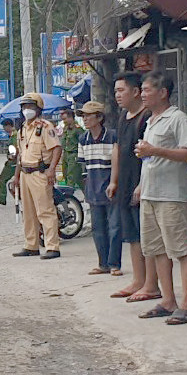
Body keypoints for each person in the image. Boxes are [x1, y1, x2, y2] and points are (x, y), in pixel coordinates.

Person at [133, 72, 187, 325]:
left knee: (181, 249)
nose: (143, 94)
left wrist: (155, 150)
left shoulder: (178, 118)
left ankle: (186, 304)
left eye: (148, 89)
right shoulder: (151, 121)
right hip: (150, 192)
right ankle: (168, 300)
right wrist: (141, 185)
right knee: (157, 249)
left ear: (163, 92)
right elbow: (150, 159)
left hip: (171, 194)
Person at [108, 72, 161, 302]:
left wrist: (141, 184)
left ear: (136, 91)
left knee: (146, 235)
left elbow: (149, 157)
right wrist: (114, 180)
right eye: (116, 91)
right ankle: (138, 281)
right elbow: (118, 150)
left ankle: (151, 284)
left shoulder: (146, 117)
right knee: (131, 235)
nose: (117, 95)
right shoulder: (123, 116)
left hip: (144, 185)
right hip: (126, 184)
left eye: (121, 90)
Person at [12, 92, 63, 259]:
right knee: (28, 212)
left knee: (45, 211)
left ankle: (52, 247)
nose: (27, 110)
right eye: (25, 107)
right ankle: (31, 245)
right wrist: (16, 177)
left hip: (40, 172)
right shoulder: (22, 129)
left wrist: (52, 170)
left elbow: (56, 149)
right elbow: (20, 155)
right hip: (26, 173)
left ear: (38, 108)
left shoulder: (45, 127)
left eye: (31, 106)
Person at [76, 101, 121, 275]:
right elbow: (84, 168)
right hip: (93, 188)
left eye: (88, 115)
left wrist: (114, 182)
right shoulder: (83, 139)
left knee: (115, 227)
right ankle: (103, 264)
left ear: (99, 117)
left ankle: (114, 263)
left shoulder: (112, 136)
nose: (85, 119)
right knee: (98, 228)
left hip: (111, 186)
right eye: (84, 116)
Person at [59, 108, 85, 192]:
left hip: (74, 155)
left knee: (71, 176)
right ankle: (87, 193)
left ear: (71, 118)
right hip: (66, 154)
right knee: (67, 174)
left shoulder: (78, 129)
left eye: (65, 119)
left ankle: (68, 196)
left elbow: (83, 141)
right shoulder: (66, 128)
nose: (64, 121)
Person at [0, 118, 18, 205]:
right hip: (15, 161)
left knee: (2, 179)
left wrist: (12, 156)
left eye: (4, 127)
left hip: (13, 162)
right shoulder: (13, 135)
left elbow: (15, 148)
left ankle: (2, 198)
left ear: (8, 126)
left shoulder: (15, 136)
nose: (4, 129)